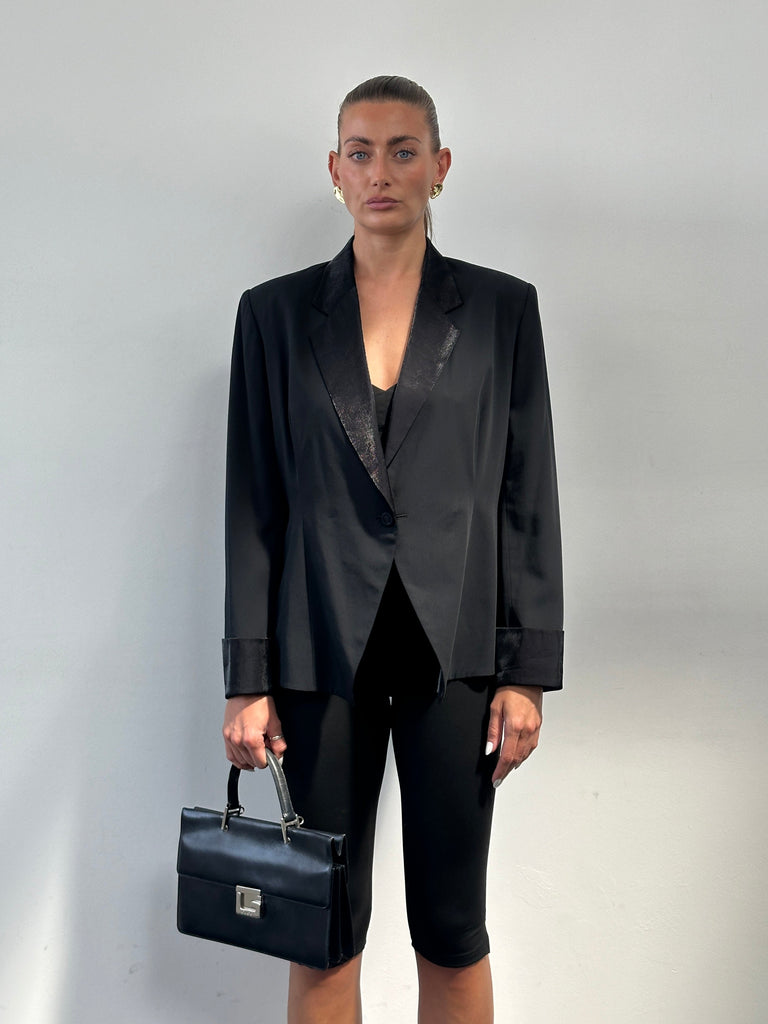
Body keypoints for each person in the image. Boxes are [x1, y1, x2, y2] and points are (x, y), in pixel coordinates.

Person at [221, 75, 563, 1024]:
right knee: (323, 930)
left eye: (403, 151)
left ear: (439, 167)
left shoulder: (501, 310)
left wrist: (527, 673)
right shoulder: (274, 315)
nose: (381, 171)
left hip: (457, 657)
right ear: (335, 171)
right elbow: (253, 505)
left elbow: (526, 495)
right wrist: (246, 680)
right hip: (316, 656)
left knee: (452, 928)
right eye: (361, 152)